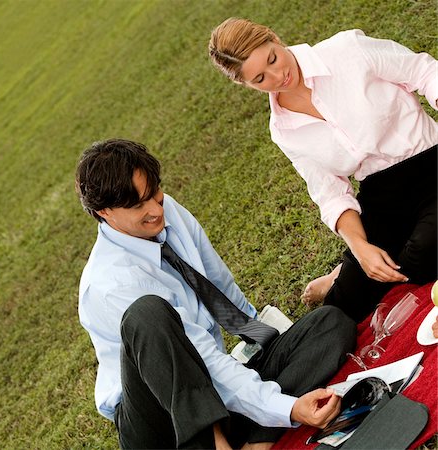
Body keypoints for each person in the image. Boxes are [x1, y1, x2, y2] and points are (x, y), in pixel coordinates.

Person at [76, 138, 356, 449]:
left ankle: (258, 439)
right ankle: (224, 440)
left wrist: (267, 343)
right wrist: (286, 407)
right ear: (105, 212)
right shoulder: (112, 284)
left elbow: (219, 286)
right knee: (149, 313)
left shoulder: (165, 210)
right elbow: (199, 359)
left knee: (329, 324)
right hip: (164, 423)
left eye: (155, 192)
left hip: (211, 388)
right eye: (139, 204)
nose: (156, 209)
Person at [209, 18, 438, 323]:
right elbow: (330, 193)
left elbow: (423, 71)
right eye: (261, 78)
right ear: (245, 84)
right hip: (382, 196)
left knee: (424, 255)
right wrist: (359, 248)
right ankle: (342, 275)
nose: (279, 76)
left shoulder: (347, 50)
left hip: (430, 162)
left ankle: (371, 260)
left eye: (273, 58)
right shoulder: (283, 130)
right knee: (344, 306)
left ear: (274, 38)